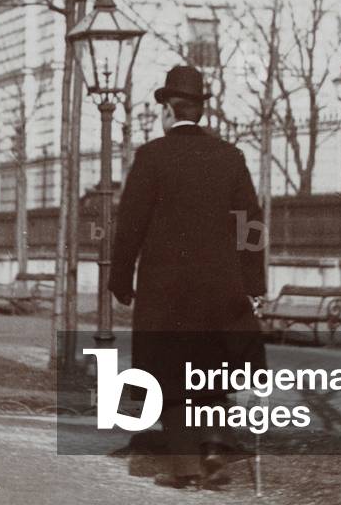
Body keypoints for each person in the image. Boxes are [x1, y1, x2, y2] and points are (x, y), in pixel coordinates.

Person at [109, 65, 266, 491]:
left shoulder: (151, 157)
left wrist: (121, 278)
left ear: (166, 109)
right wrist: (254, 285)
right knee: (211, 369)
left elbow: (130, 224)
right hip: (221, 288)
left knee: (170, 375)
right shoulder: (230, 157)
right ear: (200, 110)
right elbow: (250, 225)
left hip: (166, 293)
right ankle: (214, 446)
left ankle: (187, 467)